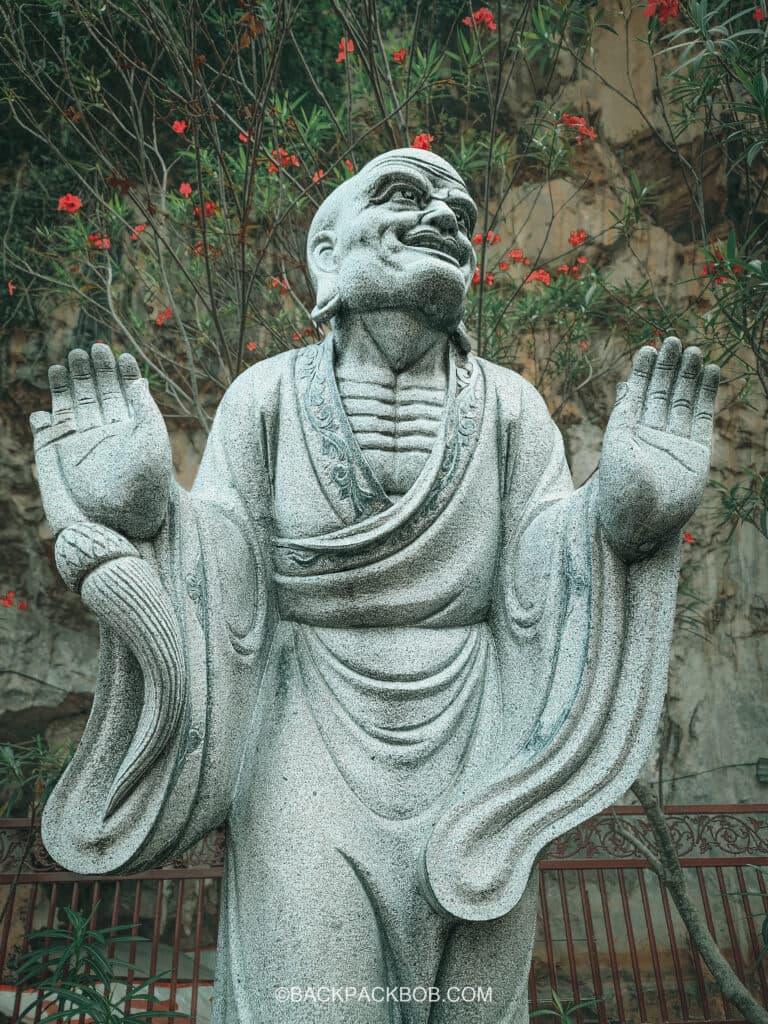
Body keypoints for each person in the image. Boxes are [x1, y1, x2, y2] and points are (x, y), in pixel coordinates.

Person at [31, 149, 719, 1022]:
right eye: (404, 195)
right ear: (327, 252)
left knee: (472, 1003)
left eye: (460, 215)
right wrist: (147, 505)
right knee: (318, 997)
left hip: (476, 743)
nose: (443, 219)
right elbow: (228, 569)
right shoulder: (267, 395)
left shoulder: (509, 406)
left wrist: (622, 517)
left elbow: (542, 575)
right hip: (305, 731)